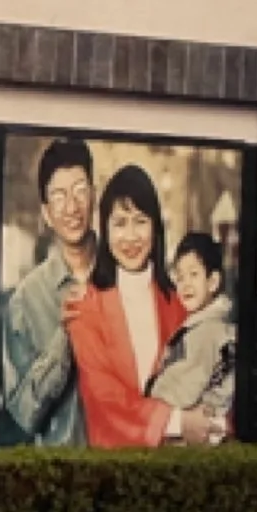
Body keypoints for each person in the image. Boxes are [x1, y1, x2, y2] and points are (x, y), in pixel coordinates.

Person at [67, 164, 224, 445]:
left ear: (156, 228)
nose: (130, 237)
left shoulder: (179, 304)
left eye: (140, 221)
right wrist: (177, 422)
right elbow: (105, 402)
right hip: (112, 466)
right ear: (104, 229)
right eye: (119, 223)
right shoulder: (85, 309)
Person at [0, 136, 99, 445]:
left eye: (81, 191)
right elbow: (23, 414)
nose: (72, 207)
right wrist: (64, 339)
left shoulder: (126, 276)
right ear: (45, 212)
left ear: (95, 195)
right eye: (59, 196)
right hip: (60, 470)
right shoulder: (25, 299)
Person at [150, 230, 238, 432]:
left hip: (199, 430)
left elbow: (182, 390)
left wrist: (149, 404)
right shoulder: (213, 326)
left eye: (193, 274)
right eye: (180, 277)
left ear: (213, 282)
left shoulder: (206, 332)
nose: (185, 284)